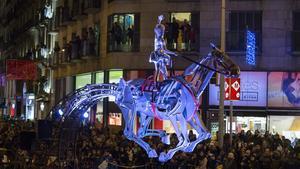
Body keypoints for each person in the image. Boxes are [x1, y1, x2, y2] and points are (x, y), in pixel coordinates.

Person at [149, 15, 177, 83]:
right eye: (159, 31)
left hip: (161, 55)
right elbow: (157, 27)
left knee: (164, 71)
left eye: (161, 31)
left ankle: (166, 79)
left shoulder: (162, 40)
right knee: (158, 69)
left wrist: (173, 53)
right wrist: (159, 20)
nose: (160, 32)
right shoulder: (157, 38)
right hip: (157, 55)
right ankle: (156, 83)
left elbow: (165, 50)